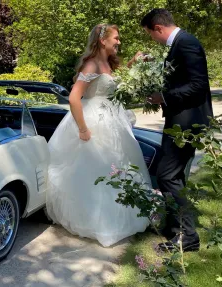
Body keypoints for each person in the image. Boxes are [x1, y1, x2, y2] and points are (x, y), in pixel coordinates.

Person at [45, 24, 151, 247]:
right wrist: (83, 129)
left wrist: (133, 63)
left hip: (112, 121)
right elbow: (74, 98)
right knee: (96, 169)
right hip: (93, 122)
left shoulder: (108, 63)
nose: (119, 42)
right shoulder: (91, 63)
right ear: (103, 40)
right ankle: (98, 221)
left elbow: (115, 85)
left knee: (118, 167)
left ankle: (125, 214)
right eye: (116, 38)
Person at [140, 8, 213, 252]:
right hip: (180, 121)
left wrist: (163, 97)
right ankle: (176, 228)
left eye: (151, 34)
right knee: (176, 175)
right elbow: (181, 77)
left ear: (158, 28)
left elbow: (198, 85)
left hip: (187, 123)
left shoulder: (186, 43)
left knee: (167, 175)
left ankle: (187, 236)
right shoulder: (180, 44)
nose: (153, 39)